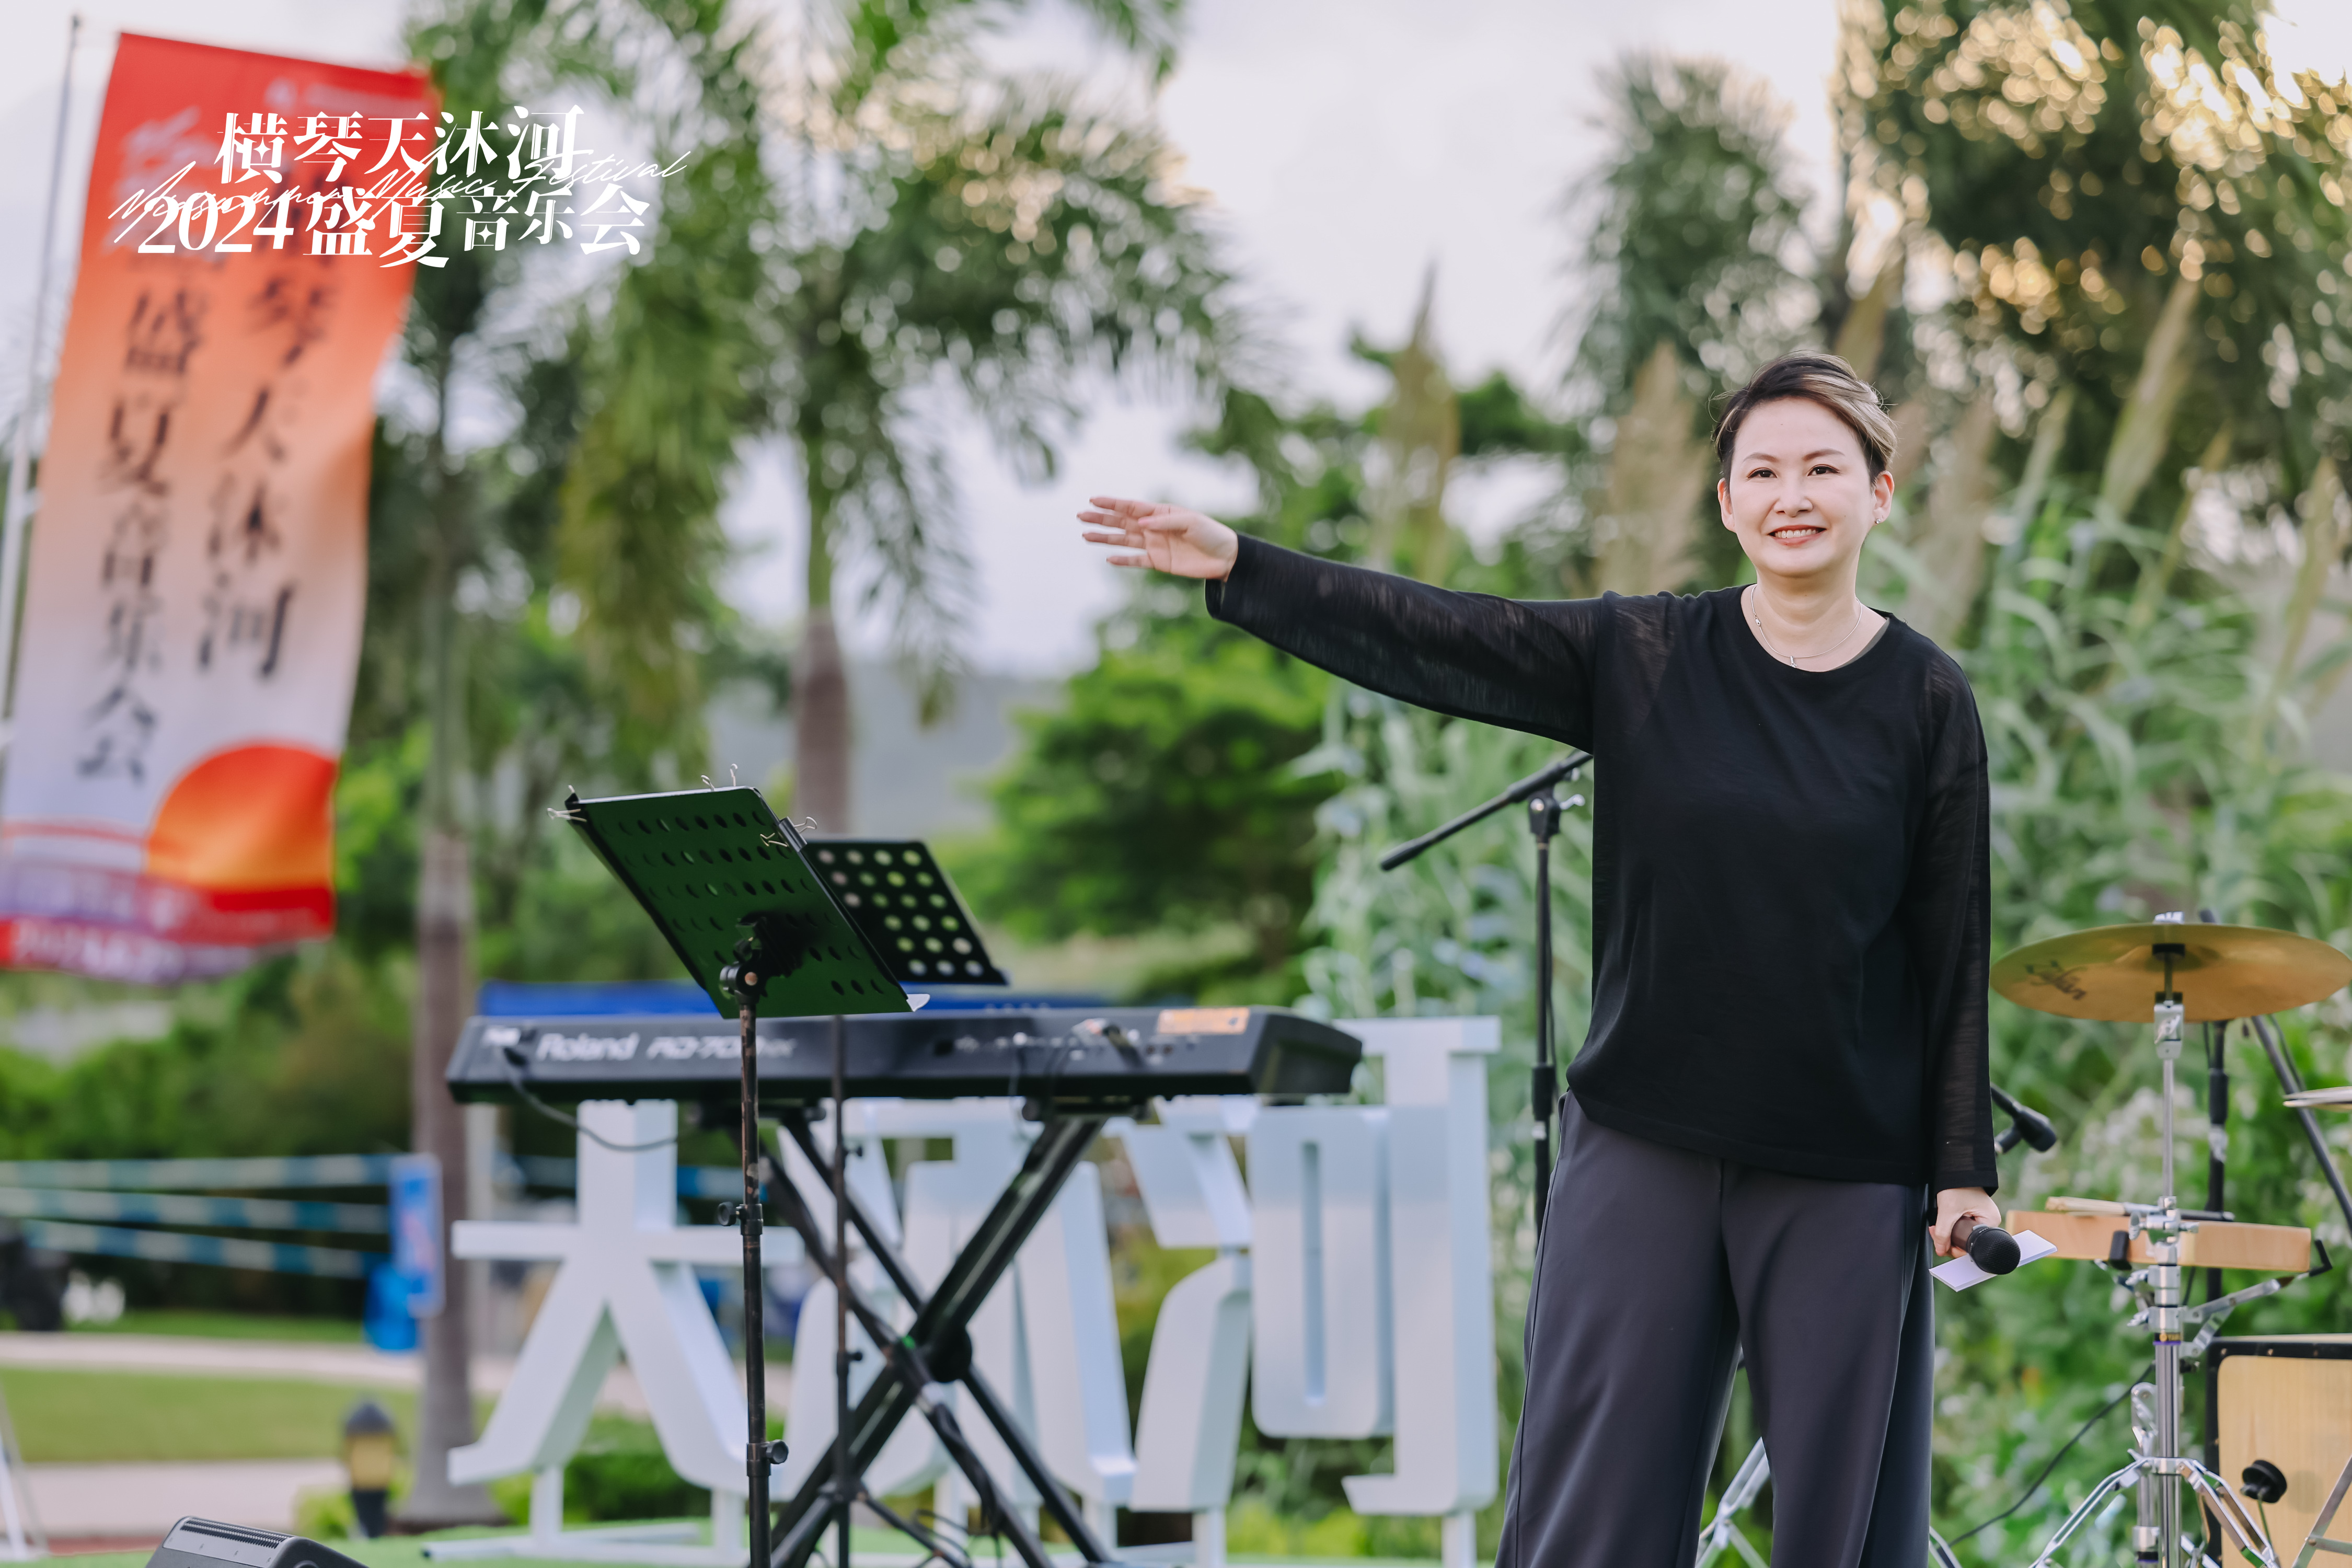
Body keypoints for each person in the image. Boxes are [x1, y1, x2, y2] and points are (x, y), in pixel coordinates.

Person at [1079, 350, 1998, 1566]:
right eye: (1764, 471)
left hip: (1845, 1171)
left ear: (1879, 493)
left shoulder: (1928, 699)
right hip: (1645, 1146)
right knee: (1587, 1518)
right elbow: (1445, 632)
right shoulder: (1646, 655)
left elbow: (1951, 946)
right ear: (1726, 502)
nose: (1794, 495)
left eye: (1824, 470)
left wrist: (1961, 1170)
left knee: (1844, 1532)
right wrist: (1245, 566)